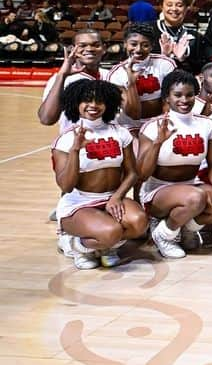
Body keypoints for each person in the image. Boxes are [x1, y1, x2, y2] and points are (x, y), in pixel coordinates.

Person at [137, 71, 212, 258]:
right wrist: (157, 142)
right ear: (167, 97)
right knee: (196, 198)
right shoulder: (153, 126)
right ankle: (164, 235)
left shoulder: (206, 124)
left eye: (189, 95)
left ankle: (187, 228)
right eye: (178, 95)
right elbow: (142, 174)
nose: (184, 100)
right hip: (158, 190)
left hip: (190, 184)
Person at [53, 80, 147, 269]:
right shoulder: (66, 140)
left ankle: (105, 246)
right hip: (79, 203)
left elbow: (132, 173)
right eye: (87, 100)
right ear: (76, 103)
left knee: (139, 223)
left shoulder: (120, 133)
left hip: (110, 197)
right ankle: (74, 244)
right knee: (112, 231)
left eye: (99, 101)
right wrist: (75, 151)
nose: (93, 106)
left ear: (108, 104)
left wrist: (117, 197)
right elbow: (66, 186)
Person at [106, 23, 177, 135]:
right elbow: (134, 114)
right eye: (133, 44)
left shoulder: (165, 64)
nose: (138, 50)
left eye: (145, 45)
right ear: (125, 44)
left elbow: (168, 102)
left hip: (160, 122)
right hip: (130, 126)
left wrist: (163, 124)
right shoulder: (115, 74)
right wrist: (131, 84)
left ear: (152, 46)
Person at [38, 29, 106, 133]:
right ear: (73, 49)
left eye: (95, 45)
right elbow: (46, 119)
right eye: (82, 45)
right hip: (75, 145)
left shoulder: (112, 75)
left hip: (108, 144)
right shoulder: (62, 79)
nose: (89, 49)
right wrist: (62, 76)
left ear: (104, 48)